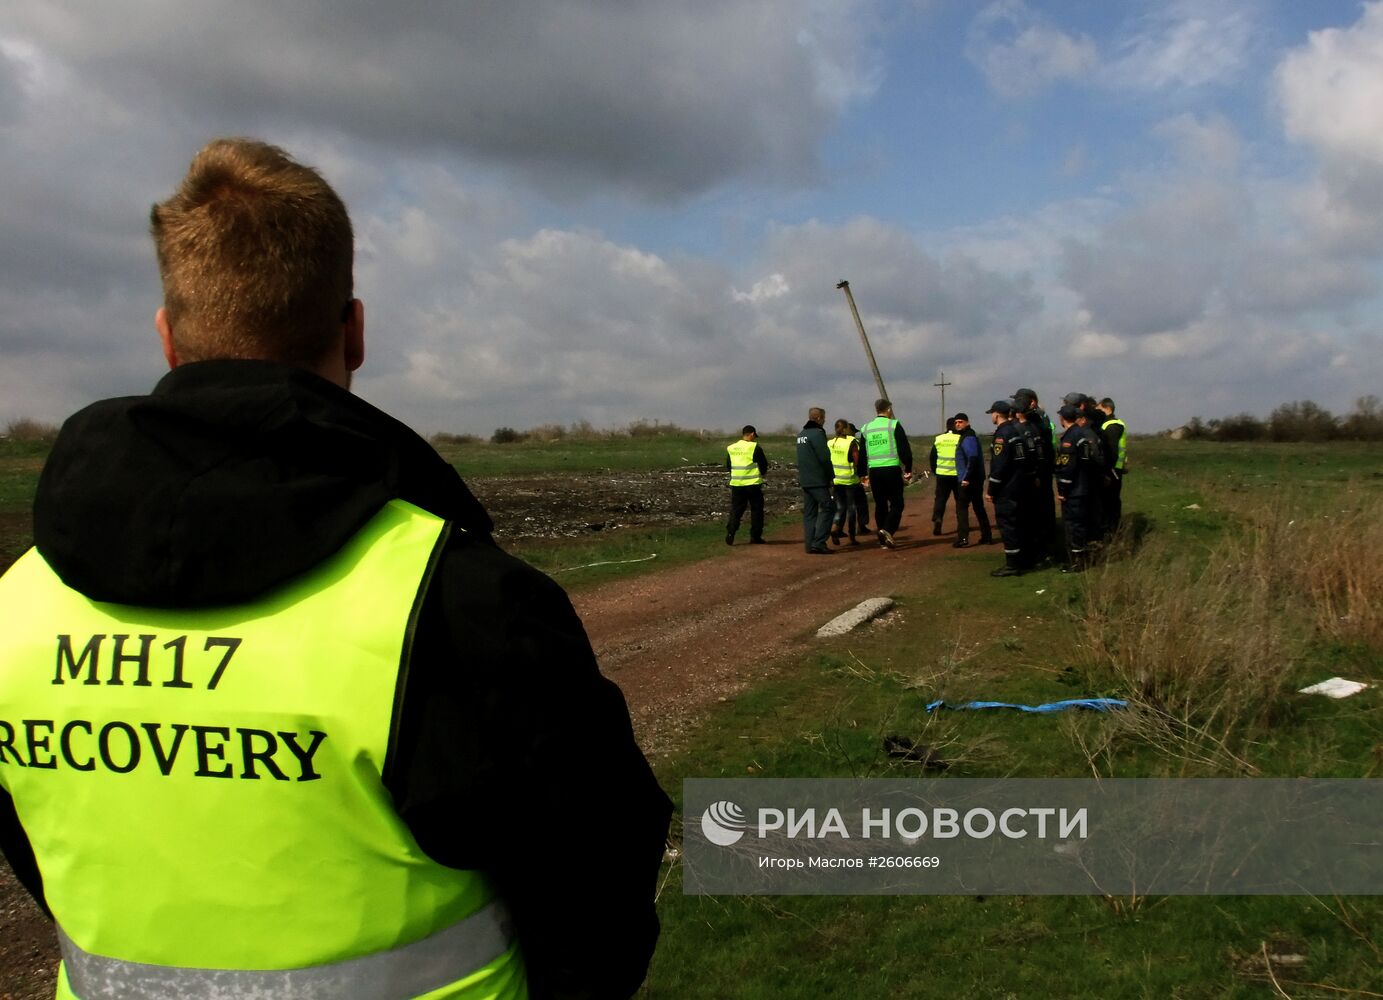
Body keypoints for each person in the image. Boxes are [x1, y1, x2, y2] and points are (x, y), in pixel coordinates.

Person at [0, 138, 671, 1000]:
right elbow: (595, 881)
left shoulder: (16, 607)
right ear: (353, 329)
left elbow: (38, 854)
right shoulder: (455, 599)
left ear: (169, 336)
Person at [856, 399, 913, 549]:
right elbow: (904, 448)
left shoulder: (866, 428)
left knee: (880, 504)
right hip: (891, 469)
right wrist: (908, 468)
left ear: (876, 410)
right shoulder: (893, 424)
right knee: (897, 503)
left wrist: (862, 473)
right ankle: (887, 530)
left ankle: (883, 541)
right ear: (888, 409)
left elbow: (862, 453)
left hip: (874, 471)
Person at [1013, 388, 1059, 560]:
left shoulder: (1037, 420)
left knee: (1039, 510)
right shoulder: (1041, 418)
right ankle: (1045, 546)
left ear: (1032, 402)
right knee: (1041, 509)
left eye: (1020, 401)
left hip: (1040, 470)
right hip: (1043, 467)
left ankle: (1042, 549)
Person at [984, 400, 1029, 576]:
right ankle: (1021, 560)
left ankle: (1012, 564)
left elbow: (1000, 466)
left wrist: (991, 489)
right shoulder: (1015, 432)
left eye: (992, 414)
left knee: (1007, 525)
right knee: (1017, 523)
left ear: (996, 414)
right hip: (1018, 485)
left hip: (1006, 489)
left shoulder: (1003, 435)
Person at [1055, 403, 1099, 571]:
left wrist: (1063, 491)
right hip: (1084, 486)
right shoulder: (1082, 434)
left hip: (1074, 489)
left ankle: (1076, 562)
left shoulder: (1070, 437)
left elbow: (1068, 467)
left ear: (1062, 418)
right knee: (1080, 524)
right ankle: (1080, 558)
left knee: (1074, 526)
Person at [795, 406, 836, 554]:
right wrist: (831, 475)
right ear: (819, 418)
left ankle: (809, 544)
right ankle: (819, 542)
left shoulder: (801, 435)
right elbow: (824, 458)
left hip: (806, 480)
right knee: (828, 507)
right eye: (824, 418)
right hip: (817, 480)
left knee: (810, 513)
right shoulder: (817, 434)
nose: (824, 421)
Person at [951, 412, 993, 547]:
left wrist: (966, 478)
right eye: (956, 422)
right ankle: (986, 535)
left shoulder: (968, 437)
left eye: (960, 422)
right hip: (974, 478)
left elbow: (972, 458)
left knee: (962, 508)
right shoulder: (967, 436)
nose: (958, 424)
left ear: (967, 423)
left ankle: (963, 538)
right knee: (978, 507)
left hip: (968, 480)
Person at [725, 424, 767, 545]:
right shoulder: (754, 447)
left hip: (737, 484)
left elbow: (729, 465)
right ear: (752, 434)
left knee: (736, 509)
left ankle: (731, 532)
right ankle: (755, 536)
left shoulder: (732, 448)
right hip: (753, 484)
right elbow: (763, 464)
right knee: (756, 510)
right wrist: (761, 474)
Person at [827, 419, 864, 545]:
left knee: (840, 507)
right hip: (850, 480)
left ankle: (834, 529)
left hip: (836, 480)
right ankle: (852, 536)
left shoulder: (830, 443)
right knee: (851, 508)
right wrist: (861, 473)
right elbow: (857, 460)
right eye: (847, 427)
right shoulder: (851, 442)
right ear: (844, 429)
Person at [1097, 397, 1127, 534]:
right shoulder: (1110, 423)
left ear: (1107, 408)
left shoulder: (1112, 425)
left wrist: (1107, 469)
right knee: (1110, 502)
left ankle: (1113, 532)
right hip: (1115, 468)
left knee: (1111, 503)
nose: (1097, 411)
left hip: (1113, 470)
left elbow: (1112, 450)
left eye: (1099, 408)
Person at [928, 418, 961, 537]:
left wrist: (935, 471)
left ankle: (938, 518)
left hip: (942, 474)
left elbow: (932, 457)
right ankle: (961, 524)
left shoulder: (939, 439)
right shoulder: (960, 439)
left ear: (947, 426)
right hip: (957, 475)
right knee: (960, 500)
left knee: (940, 499)